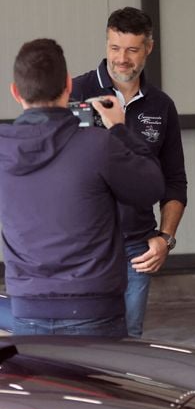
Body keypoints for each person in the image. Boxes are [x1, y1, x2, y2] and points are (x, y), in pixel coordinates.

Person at [0, 38, 165, 336]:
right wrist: (120, 129)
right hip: (94, 308)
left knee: (45, 384)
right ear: (67, 85)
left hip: (28, 306)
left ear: (15, 91)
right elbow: (151, 186)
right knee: (99, 384)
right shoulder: (99, 146)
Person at [71, 7, 188, 338]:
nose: (121, 59)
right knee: (79, 346)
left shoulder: (161, 106)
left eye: (132, 49)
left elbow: (175, 181)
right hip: (83, 250)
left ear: (148, 48)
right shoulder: (75, 95)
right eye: (114, 48)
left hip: (136, 250)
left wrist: (165, 238)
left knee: (127, 344)